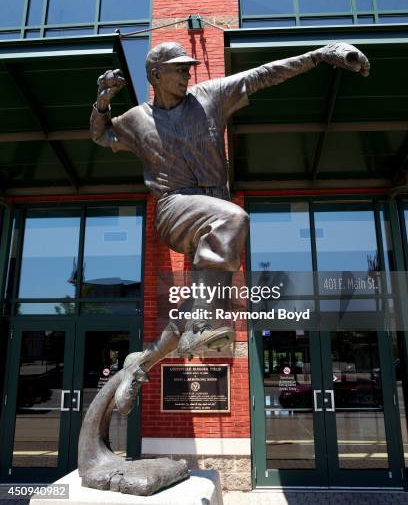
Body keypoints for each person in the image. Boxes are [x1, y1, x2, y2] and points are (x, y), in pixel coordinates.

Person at [90, 40, 369, 414]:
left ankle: (141, 364)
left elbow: (263, 75)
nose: (187, 73)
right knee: (233, 218)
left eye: (188, 67)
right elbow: (101, 134)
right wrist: (102, 102)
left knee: (190, 307)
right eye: (178, 68)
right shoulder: (137, 120)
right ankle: (203, 325)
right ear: (156, 75)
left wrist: (320, 55)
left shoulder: (209, 96)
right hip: (174, 207)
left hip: (210, 208)